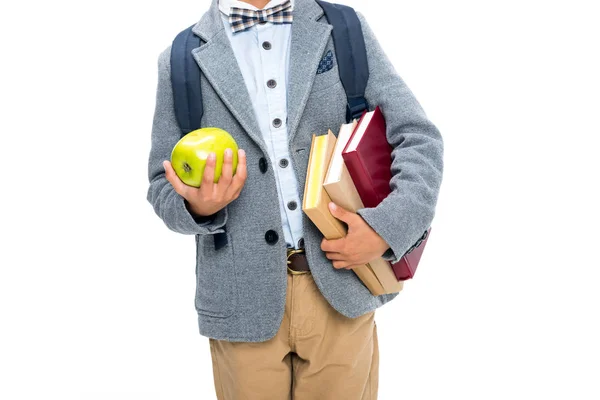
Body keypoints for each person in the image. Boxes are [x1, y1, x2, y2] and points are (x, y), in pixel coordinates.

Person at [146, 0, 444, 398]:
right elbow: (160, 185)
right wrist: (199, 207)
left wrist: (386, 229)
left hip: (342, 287)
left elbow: (419, 139)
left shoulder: (343, 27)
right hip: (241, 301)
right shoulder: (179, 59)